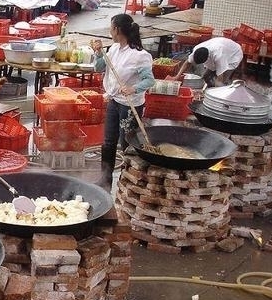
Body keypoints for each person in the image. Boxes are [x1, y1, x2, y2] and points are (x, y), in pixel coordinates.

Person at [91, 14, 155, 191]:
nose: (110, 31)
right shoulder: (113, 50)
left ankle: (127, 181)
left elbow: (149, 81)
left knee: (127, 143)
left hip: (130, 105)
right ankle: (104, 180)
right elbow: (98, 68)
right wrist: (98, 52)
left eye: (111, 28)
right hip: (114, 101)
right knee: (108, 142)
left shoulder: (139, 56)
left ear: (117, 30)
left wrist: (133, 88)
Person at [169, 37, 243, 88]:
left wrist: (217, 89)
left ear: (207, 59)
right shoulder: (197, 50)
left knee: (222, 83)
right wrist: (177, 77)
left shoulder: (218, 56)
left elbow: (220, 78)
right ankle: (209, 90)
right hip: (223, 47)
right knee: (206, 76)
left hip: (233, 55)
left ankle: (222, 99)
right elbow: (187, 63)